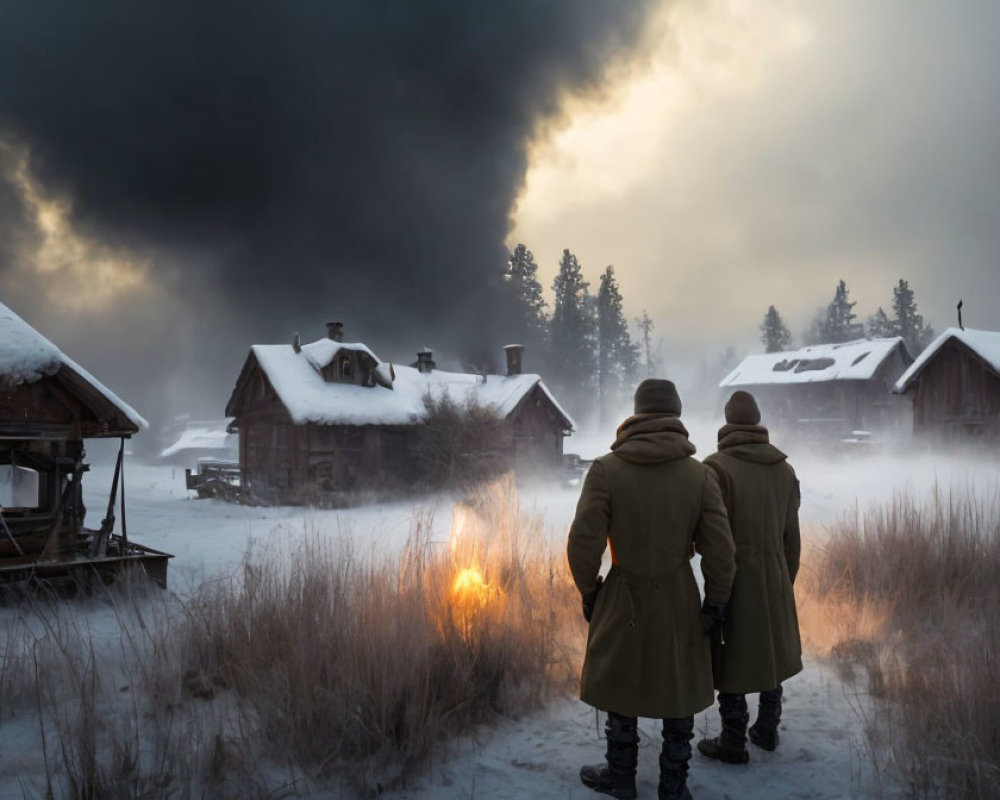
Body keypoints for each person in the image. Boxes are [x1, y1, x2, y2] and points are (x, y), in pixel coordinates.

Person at [568, 379, 736, 800]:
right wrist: (716, 601)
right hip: (679, 592)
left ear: (637, 413)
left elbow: (583, 544)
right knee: (678, 689)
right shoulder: (700, 476)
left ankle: (621, 777)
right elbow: (721, 551)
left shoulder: (606, 469)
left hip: (622, 589)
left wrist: (591, 592)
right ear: (676, 415)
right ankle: (673, 786)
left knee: (620, 686)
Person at [697, 390, 802, 765]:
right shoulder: (784, 470)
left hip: (735, 578)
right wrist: (783, 580)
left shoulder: (715, 468)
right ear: (757, 421)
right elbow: (792, 540)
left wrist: (716, 588)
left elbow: (711, 537)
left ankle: (732, 740)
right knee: (771, 650)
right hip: (774, 575)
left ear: (726, 422)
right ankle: (767, 728)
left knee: (732, 655)